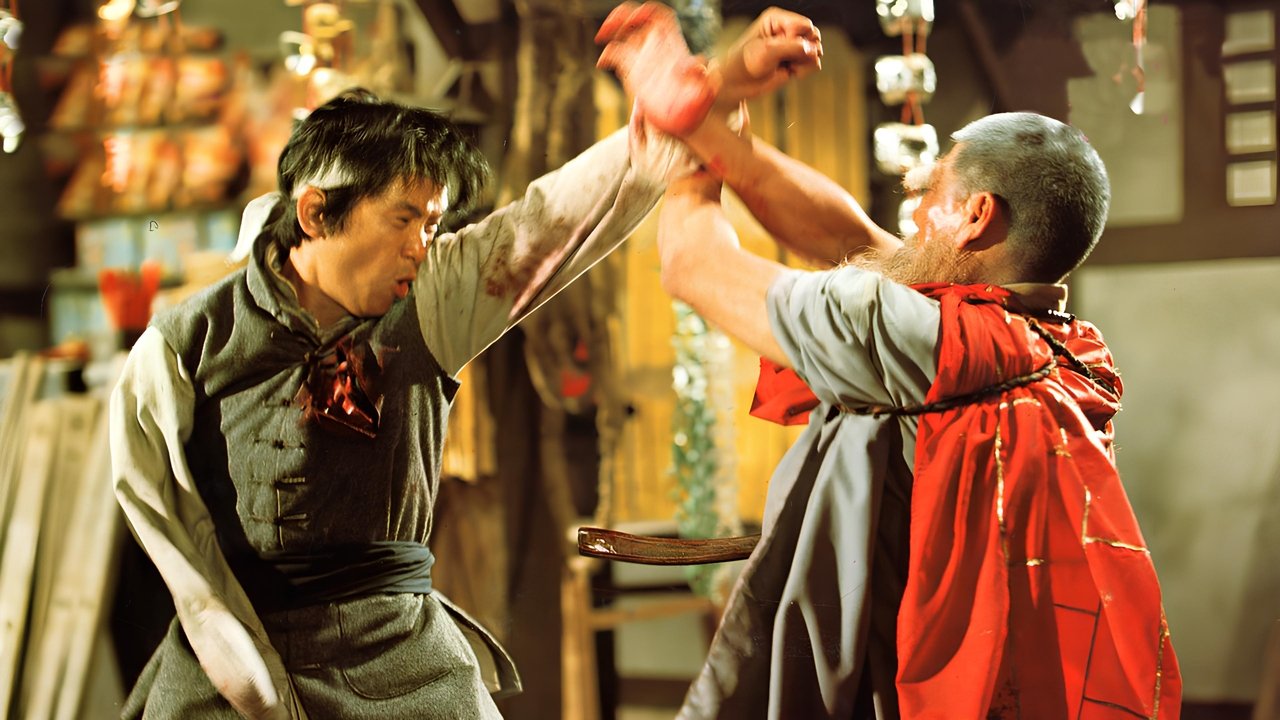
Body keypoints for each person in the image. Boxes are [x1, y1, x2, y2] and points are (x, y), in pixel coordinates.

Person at [109, 7, 822, 718]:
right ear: (316, 214)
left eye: (432, 223)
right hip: (234, 660)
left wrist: (724, 79)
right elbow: (177, 542)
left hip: (398, 663)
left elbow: (557, 215)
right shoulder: (183, 345)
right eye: (403, 220)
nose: (420, 246)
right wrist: (241, 671)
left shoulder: (430, 298)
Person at [598, 4, 1183, 719]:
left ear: (976, 216)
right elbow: (848, 236)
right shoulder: (1041, 344)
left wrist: (679, 137)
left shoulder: (916, 340)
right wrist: (711, 112)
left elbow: (693, 265)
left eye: (932, 188)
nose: (914, 199)